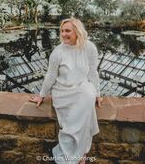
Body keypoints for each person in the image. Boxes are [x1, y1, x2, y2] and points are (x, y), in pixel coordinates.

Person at [29, 18, 102, 164]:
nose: (63, 34)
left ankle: (76, 152)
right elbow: (51, 75)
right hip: (63, 92)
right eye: (62, 31)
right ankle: (81, 154)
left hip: (81, 87)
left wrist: (98, 94)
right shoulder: (58, 52)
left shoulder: (89, 48)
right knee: (83, 114)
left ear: (77, 31)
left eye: (67, 30)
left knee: (89, 92)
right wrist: (42, 95)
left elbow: (93, 72)